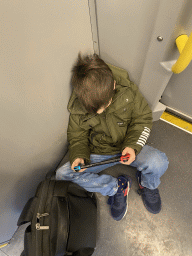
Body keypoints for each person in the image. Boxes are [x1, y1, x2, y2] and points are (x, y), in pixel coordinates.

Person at [56, 53, 169, 221]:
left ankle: (147, 184)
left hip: (127, 146)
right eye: (95, 111)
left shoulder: (128, 92)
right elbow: (77, 134)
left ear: (114, 85)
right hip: (100, 152)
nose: (101, 111)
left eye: (105, 105)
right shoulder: (79, 104)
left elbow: (143, 119)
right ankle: (116, 188)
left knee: (159, 161)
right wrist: (79, 155)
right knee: (62, 174)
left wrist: (132, 146)